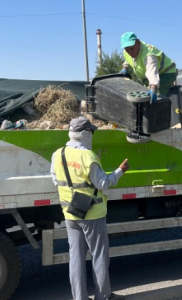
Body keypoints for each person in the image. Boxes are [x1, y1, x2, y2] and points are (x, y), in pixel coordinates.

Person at [50, 115, 129, 300]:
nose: (92, 134)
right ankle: (103, 296)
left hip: (70, 212)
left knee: (76, 258)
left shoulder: (58, 154)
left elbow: (55, 179)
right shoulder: (88, 156)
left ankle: (79, 298)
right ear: (85, 134)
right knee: (99, 256)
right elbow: (103, 183)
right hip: (93, 213)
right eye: (91, 131)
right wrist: (120, 171)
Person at [120, 31, 177, 103]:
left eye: (132, 48)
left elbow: (151, 69)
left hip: (167, 73)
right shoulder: (126, 51)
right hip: (150, 76)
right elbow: (128, 59)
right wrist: (124, 68)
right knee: (144, 94)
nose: (130, 52)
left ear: (138, 42)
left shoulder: (148, 54)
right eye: (127, 49)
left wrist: (154, 87)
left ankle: (158, 113)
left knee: (155, 97)